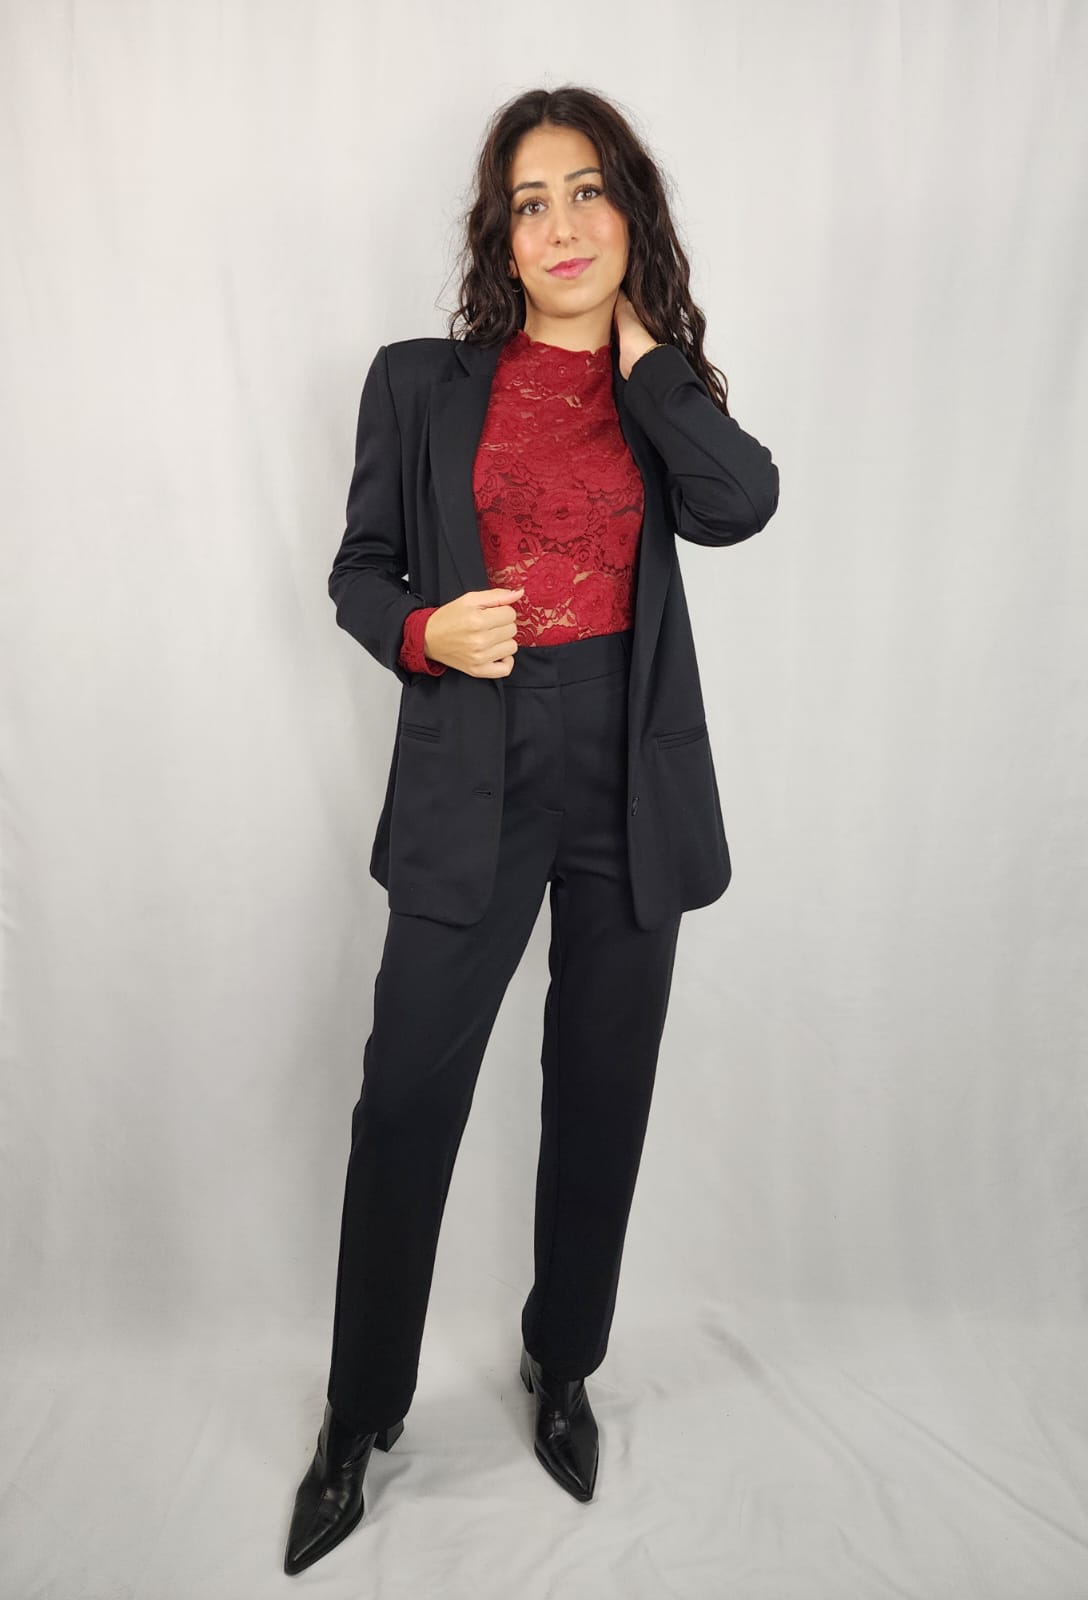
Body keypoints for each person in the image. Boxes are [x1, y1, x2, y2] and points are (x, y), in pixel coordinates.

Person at [284, 84, 780, 1576]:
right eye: (529, 202)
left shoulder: (660, 392)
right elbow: (360, 570)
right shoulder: (419, 382)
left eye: (587, 192)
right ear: (499, 235)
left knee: (602, 1091)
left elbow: (743, 503)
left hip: (629, 775)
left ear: (631, 212)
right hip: (473, 769)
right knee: (404, 1100)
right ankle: (359, 1413)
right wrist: (426, 632)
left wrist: (649, 363)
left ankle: (563, 1362)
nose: (560, 225)